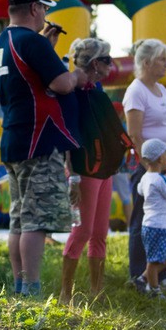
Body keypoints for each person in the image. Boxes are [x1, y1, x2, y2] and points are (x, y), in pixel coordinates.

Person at [0, 0, 86, 297]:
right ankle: (31, 289)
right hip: (39, 140)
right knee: (35, 221)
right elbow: (61, 84)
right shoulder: (32, 41)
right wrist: (77, 75)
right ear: (34, 8)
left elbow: (25, 79)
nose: (45, 14)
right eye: (44, 8)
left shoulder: (2, 40)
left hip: (15, 138)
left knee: (19, 219)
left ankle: (20, 285)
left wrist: (46, 47)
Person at [59, 38, 114, 304]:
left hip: (104, 169)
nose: (111, 65)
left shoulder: (97, 89)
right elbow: (68, 134)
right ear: (94, 63)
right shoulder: (71, 92)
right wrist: (72, 175)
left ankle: (96, 292)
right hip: (83, 170)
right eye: (107, 60)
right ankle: (65, 294)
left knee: (100, 232)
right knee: (82, 230)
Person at [123, 38, 166, 289]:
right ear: (147, 62)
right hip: (148, 168)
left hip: (164, 165)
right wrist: (152, 169)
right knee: (143, 218)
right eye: (162, 59)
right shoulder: (136, 91)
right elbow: (135, 135)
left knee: (164, 219)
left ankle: (160, 274)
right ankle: (138, 275)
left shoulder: (161, 89)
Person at [136, 138, 166, 298]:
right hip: (160, 226)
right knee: (154, 260)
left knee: (161, 259)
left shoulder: (145, 177)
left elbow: (140, 191)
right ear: (160, 159)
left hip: (149, 224)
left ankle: (143, 279)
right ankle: (154, 291)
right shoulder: (161, 179)